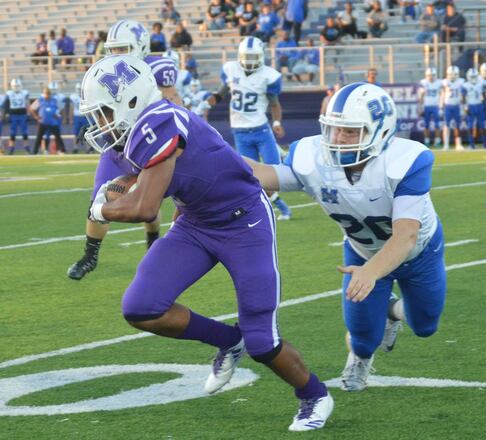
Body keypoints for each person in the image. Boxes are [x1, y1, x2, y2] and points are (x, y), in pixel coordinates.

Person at [81, 55, 333, 431]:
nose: (99, 123)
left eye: (103, 112)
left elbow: (144, 207)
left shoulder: (159, 122)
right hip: (196, 221)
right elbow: (111, 186)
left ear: (129, 101)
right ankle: (230, 341)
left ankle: (314, 395)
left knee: (263, 340)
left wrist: (103, 209)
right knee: (141, 307)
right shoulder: (129, 135)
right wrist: (106, 199)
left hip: (243, 220)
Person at [247, 82, 447, 392]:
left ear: (380, 132)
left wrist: (371, 273)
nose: (339, 139)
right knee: (363, 335)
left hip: (418, 253)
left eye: (351, 131)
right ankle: (360, 357)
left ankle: (392, 310)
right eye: (335, 129)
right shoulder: (313, 156)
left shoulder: (406, 161)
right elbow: (265, 175)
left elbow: (406, 235)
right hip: (362, 251)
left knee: (425, 326)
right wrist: (212, 155)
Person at [67, 20, 180, 281]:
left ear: (141, 46)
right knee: (99, 196)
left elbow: (174, 102)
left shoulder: (157, 68)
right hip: (115, 146)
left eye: (124, 48)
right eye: (114, 49)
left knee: (148, 200)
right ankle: (90, 254)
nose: (117, 54)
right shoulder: (106, 69)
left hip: (147, 144)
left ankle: (153, 242)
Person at [213, 36, 292, 220]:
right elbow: (221, 93)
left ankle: (283, 157)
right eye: (246, 57)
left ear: (261, 56)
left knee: (273, 176)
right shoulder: (231, 70)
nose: (249, 61)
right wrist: (208, 102)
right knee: (251, 177)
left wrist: (277, 123)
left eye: (253, 57)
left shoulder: (268, 75)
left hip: (261, 130)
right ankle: (280, 208)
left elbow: (274, 103)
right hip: (240, 132)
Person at [30, 86, 65, 154]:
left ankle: (62, 150)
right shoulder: (40, 100)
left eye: (48, 93)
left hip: (53, 122)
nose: (47, 94)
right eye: (46, 93)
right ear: (43, 93)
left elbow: (62, 108)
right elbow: (32, 108)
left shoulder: (54, 100)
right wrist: (36, 117)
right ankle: (35, 152)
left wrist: (59, 115)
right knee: (39, 137)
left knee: (58, 137)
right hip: (43, 122)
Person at [441, 65, 465, 150]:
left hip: (457, 106)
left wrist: (463, 106)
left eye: (454, 74)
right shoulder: (444, 82)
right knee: (446, 125)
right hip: (448, 106)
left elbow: (463, 96)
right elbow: (442, 95)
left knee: (457, 125)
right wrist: (441, 107)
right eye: (451, 74)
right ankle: (446, 144)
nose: (452, 76)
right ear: (447, 74)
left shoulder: (461, 82)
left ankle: (458, 144)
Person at [4, 79, 31, 154]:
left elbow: (27, 103)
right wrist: (7, 114)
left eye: (18, 86)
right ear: (12, 86)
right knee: (12, 133)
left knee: (24, 132)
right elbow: (7, 104)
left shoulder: (24, 93)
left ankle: (27, 148)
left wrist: (28, 113)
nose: (16, 87)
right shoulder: (9, 93)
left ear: (21, 86)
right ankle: (11, 148)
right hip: (13, 114)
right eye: (15, 86)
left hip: (22, 113)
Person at [463, 68, 486, 149]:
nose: (473, 78)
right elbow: (463, 97)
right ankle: (471, 144)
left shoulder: (481, 84)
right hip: (470, 105)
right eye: (472, 77)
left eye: (475, 77)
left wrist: (484, 103)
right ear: (468, 77)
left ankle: (485, 143)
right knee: (470, 126)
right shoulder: (465, 85)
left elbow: (484, 95)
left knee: (482, 125)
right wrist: (465, 106)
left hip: (479, 105)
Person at [418, 67, 442, 148]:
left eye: (433, 75)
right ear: (426, 75)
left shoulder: (439, 82)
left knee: (437, 124)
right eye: (429, 75)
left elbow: (442, 94)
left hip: (436, 106)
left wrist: (441, 106)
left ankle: (437, 141)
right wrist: (420, 106)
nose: (431, 77)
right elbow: (421, 95)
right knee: (426, 125)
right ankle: (427, 141)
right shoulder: (423, 82)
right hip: (426, 106)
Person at [70, 83, 90, 153]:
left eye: (79, 89)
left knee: (87, 133)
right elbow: (71, 107)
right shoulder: (73, 97)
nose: (78, 90)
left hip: (84, 116)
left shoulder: (86, 96)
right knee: (76, 133)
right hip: (76, 116)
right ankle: (75, 147)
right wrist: (71, 118)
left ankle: (88, 148)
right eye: (77, 89)